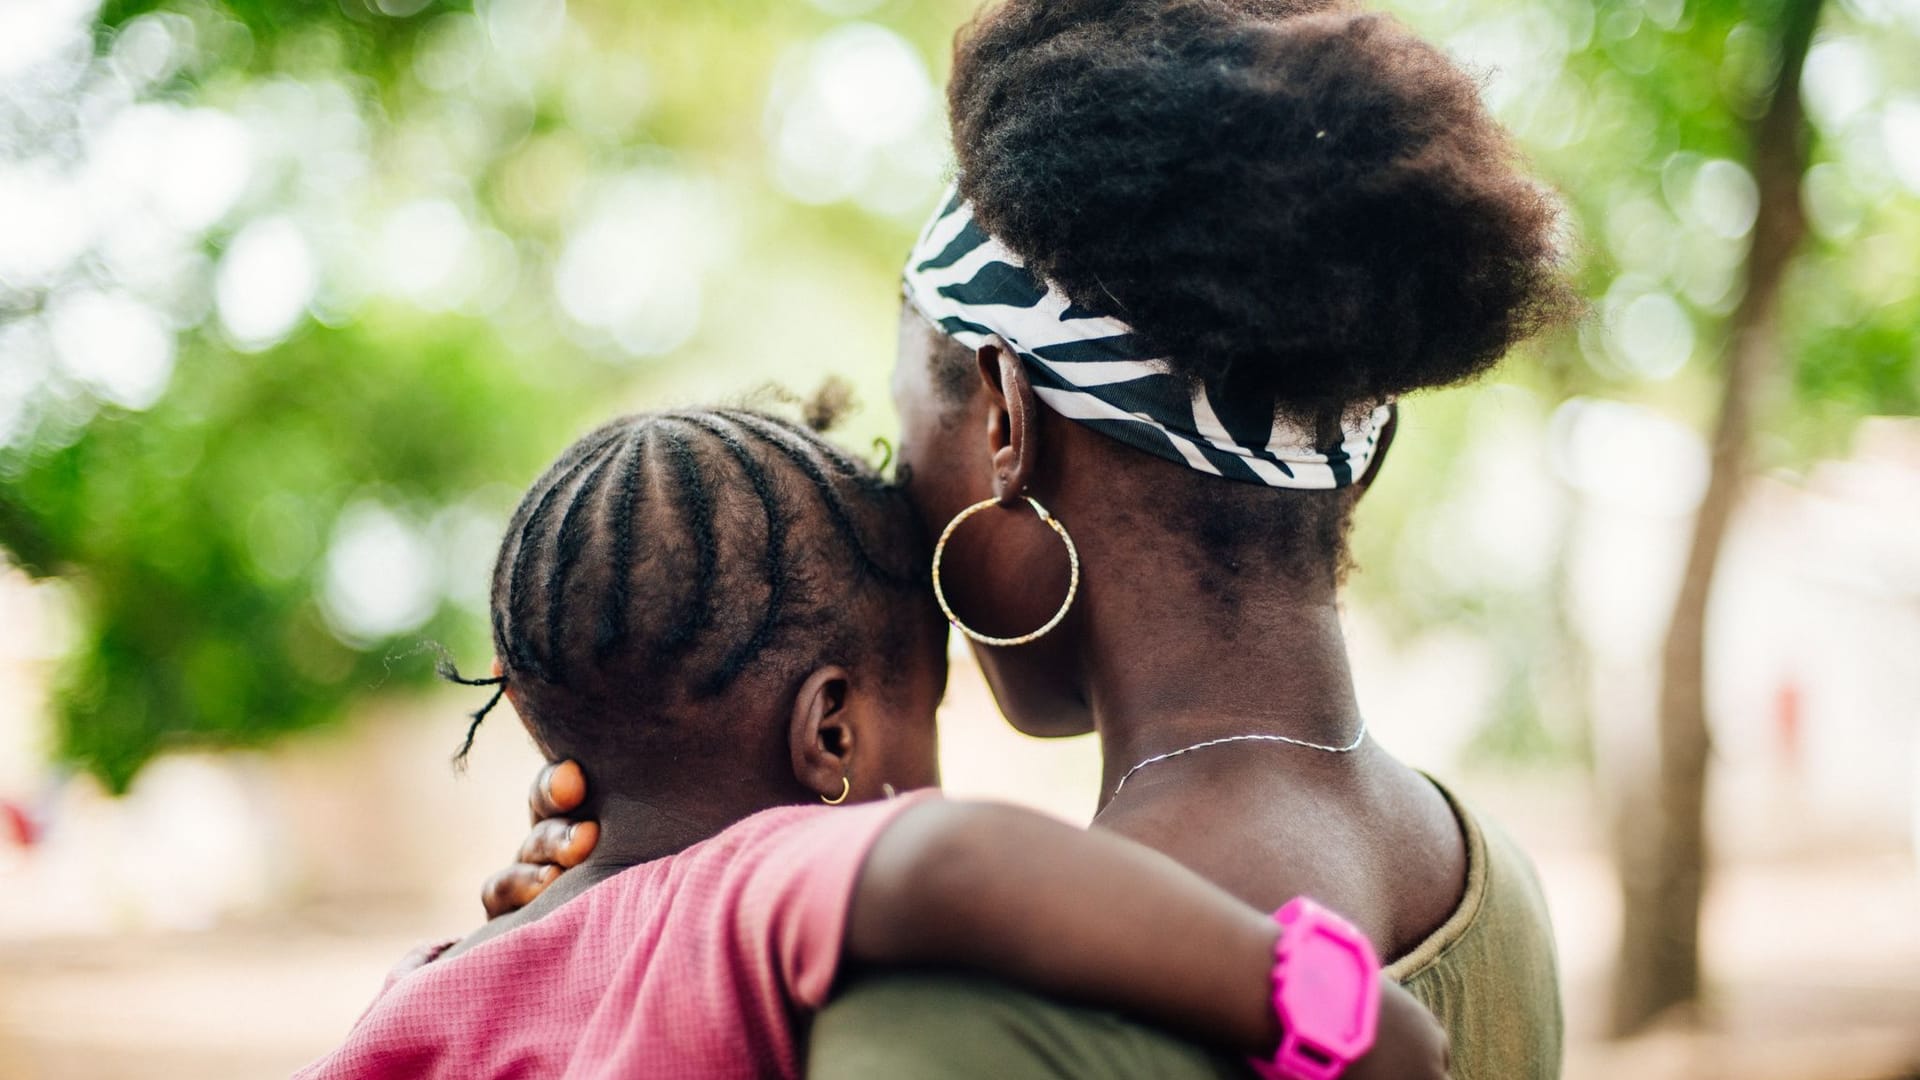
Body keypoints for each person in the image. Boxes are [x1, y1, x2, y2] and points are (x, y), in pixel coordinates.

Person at [484, 0, 1580, 1076]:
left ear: (1007, 420)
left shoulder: (948, 1020)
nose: (899, 512)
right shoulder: (1497, 884)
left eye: (905, 441)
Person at [296, 408, 1448, 1080]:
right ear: (831, 731)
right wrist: (1315, 998)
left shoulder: (423, 995)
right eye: (927, 706)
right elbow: (948, 864)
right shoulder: (747, 883)